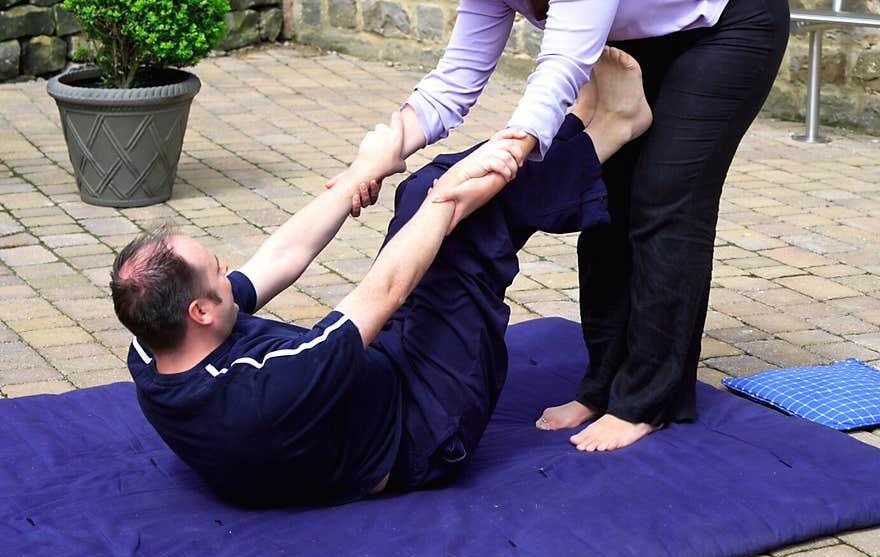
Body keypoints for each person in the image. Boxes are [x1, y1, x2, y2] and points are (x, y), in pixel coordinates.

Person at [357, 0, 790, 453]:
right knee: (603, 195)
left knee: (664, 198)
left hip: (728, 21)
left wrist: (506, 157)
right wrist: (384, 150)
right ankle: (603, 385)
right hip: (643, 38)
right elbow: (455, 82)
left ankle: (646, 400)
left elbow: (561, 66)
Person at [109, 50, 651, 508]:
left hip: (369, 384)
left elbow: (282, 256)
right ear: (198, 312)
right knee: (461, 212)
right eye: (217, 273)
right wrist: (452, 193)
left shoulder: (153, 343)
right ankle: (613, 127)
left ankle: (576, 132)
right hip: (425, 427)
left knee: (421, 193)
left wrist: (359, 177)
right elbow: (382, 293)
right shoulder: (264, 391)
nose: (229, 271)